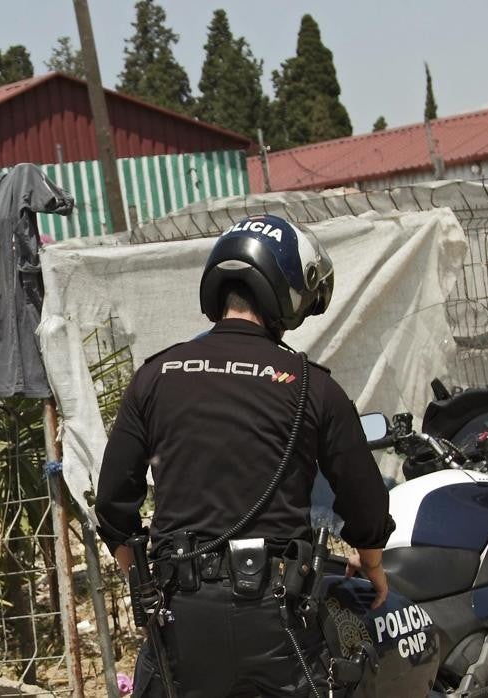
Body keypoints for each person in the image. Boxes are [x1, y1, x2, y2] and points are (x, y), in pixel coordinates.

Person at [95, 214, 395, 697]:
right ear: (288, 291)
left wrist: (144, 581)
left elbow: (113, 503)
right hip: (277, 615)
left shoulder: (155, 376)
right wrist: (373, 565)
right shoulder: (311, 386)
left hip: (179, 616)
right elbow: (364, 500)